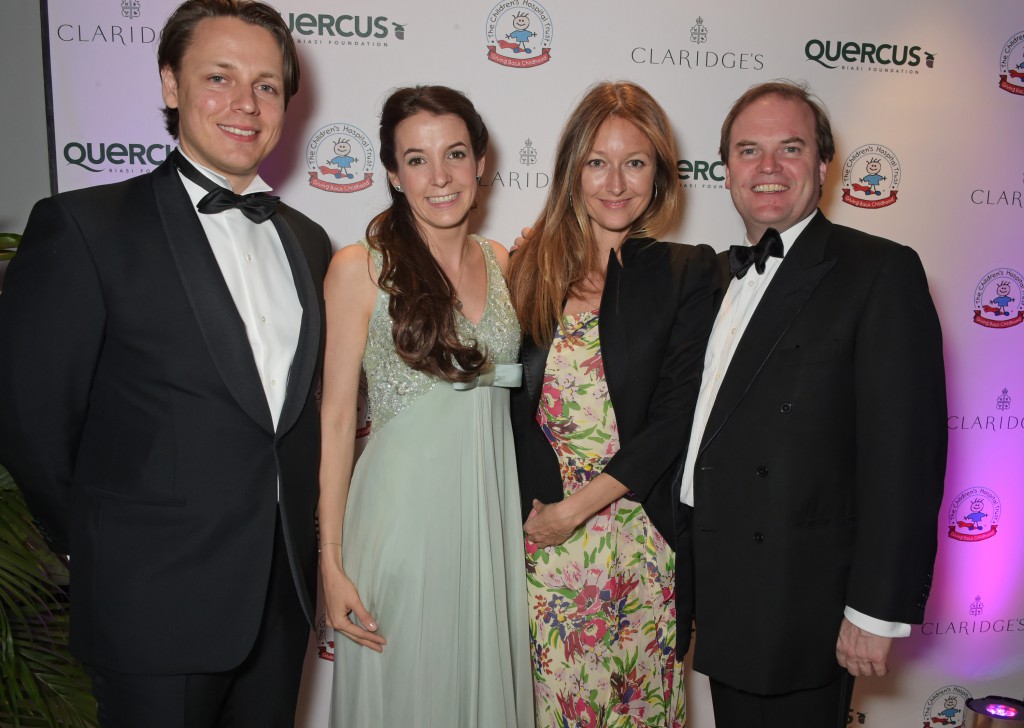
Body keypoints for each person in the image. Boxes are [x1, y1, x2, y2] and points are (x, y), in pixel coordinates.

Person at [0, 1, 331, 725]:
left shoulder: (309, 242)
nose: (245, 104)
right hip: (149, 602)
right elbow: (31, 423)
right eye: (219, 77)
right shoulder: (85, 227)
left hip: (280, 604)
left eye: (268, 85)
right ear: (170, 85)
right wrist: (101, 552)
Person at [677, 80, 947, 728]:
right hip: (717, 588)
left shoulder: (878, 272)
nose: (768, 168)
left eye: (789, 148)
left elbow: (905, 456)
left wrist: (875, 609)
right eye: (749, 150)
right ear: (727, 171)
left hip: (800, 605)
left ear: (823, 166)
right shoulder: (712, 277)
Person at [318, 85, 533, 727]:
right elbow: (333, 421)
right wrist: (330, 561)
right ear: (391, 172)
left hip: (488, 517)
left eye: (455, 154)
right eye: (416, 159)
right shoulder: (360, 268)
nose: (439, 178)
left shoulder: (503, 262)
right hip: (401, 523)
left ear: (482, 163)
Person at [507, 81, 720, 727]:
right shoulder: (522, 270)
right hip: (536, 549)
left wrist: (573, 512)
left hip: (637, 544)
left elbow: (675, 419)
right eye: (598, 161)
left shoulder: (687, 271)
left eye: (636, 162)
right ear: (573, 169)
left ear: (659, 175)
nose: (616, 182)